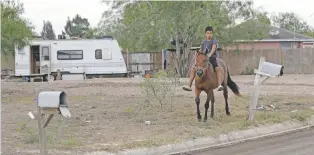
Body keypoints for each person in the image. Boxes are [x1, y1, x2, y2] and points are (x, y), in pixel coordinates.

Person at [182, 26, 223, 91]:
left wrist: (209, 55)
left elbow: (213, 48)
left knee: (217, 69)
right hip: (204, 59)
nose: (209, 34)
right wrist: (199, 53)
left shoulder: (214, 40)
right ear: (205, 34)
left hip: (212, 58)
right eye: (207, 33)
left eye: (210, 33)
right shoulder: (204, 42)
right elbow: (201, 49)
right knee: (194, 69)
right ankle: (189, 85)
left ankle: (219, 84)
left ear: (212, 34)